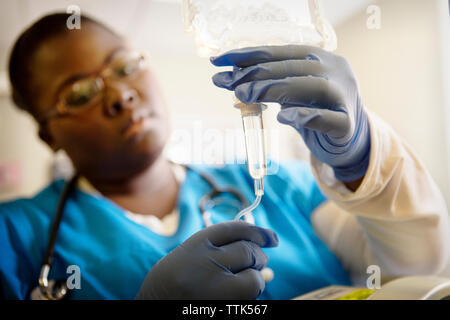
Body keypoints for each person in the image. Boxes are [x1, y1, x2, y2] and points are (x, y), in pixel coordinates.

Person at [1, 13, 449, 300]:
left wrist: (360, 159)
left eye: (123, 66)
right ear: (47, 134)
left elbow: (415, 270)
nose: (119, 95)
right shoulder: (16, 235)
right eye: (79, 93)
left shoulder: (280, 186)